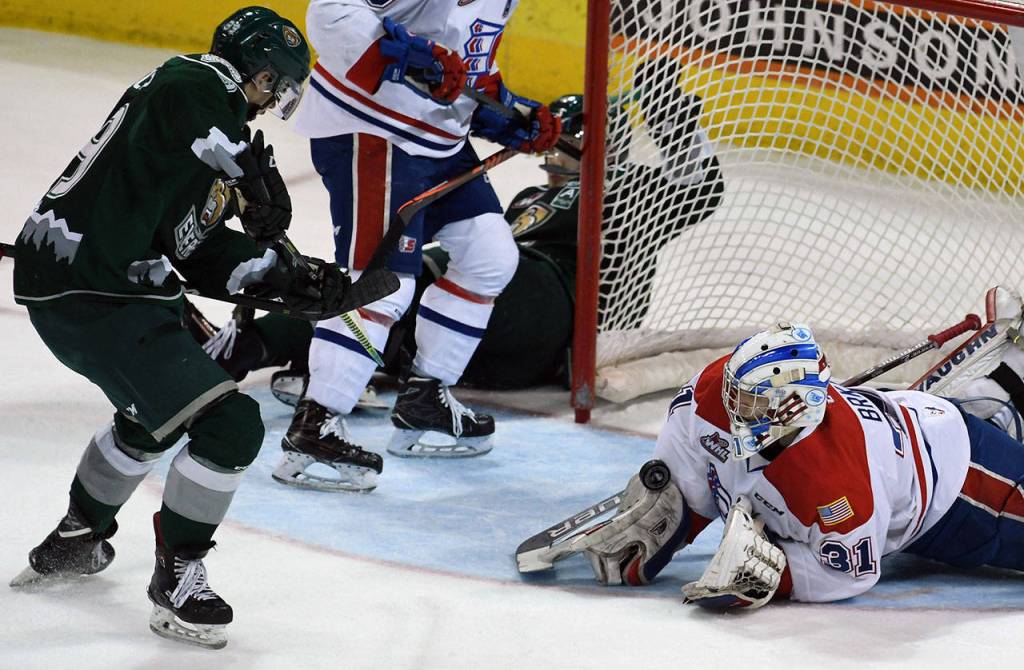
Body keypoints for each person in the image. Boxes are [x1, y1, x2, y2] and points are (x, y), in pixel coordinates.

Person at [7, 7, 359, 649]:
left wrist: (290, 277)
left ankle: (78, 537)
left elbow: (194, 252)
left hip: (118, 288)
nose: (274, 101)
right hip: (89, 287)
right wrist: (248, 173)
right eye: (275, 85)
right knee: (229, 424)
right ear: (257, 75)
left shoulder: (199, 148)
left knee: (154, 416)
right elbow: (193, 102)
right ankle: (177, 580)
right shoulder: (195, 83)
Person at [192, 67, 725, 393]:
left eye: (565, 147)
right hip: (505, 338)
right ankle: (283, 351)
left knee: (410, 276)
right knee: (389, 277)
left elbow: (704, 188)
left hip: (557, 307)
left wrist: (673, 118)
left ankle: (262, 352)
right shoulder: (529, 197)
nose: (547, 161)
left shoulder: (622, 186)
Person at [270, 0, 562, 490]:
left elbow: (464, 68)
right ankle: (314, 425)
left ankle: (425, 397)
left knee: (490, 255)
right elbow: (331, 10)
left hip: (437, 144)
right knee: (383, 286)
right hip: (372, 131)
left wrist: (505, 114)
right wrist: (400, 55)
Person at [570, 298, 1024, 607]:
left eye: (752, 403)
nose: (734, 410)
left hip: (960, 487)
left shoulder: (834, 482)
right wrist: (673, 516)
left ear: (796, 410)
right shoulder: (711, 395)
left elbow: (852, 573)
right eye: (737, 393)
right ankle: (1000, 390)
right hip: (907, 427)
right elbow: (689, 464)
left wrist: (775, 576)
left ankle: (1001, 397)